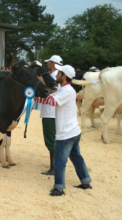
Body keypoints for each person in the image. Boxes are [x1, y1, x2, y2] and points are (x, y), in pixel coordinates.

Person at [36, 64, 92, 196]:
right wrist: (34, 97)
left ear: (64, 76)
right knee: (77, 157)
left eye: (59, 73)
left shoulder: (66, 91)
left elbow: (52, 102)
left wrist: (38, 92)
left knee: (59, 161)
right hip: (73, 131)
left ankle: (59, 188)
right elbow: (50, 99)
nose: (56, 75)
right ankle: (85, 181)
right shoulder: (65, 89)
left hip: (66, 133)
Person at [40, 55, 63, 175]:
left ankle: (53, 167)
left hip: (50, 112)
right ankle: (54, 166)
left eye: (48, 62)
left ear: (53, 63)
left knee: (50, 140)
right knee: (53, 139)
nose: (47, 64)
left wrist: (40, 80)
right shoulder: (58, 75)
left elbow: (50, 90)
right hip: (52, 112)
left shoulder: (53, 77)